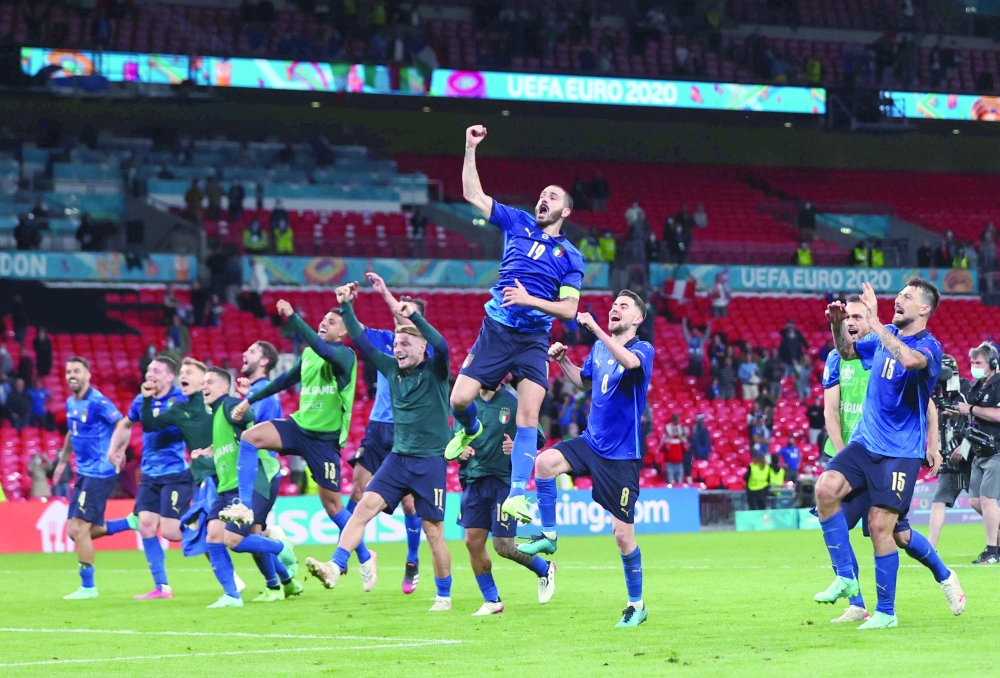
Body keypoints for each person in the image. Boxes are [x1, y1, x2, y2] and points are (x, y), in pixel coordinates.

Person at [447, 124, 586, 526]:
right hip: (498, 328)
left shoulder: (570, 256)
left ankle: (517, 497)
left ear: (565, 212)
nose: (544, 199)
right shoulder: (517, 223)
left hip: (533, 339)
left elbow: (568, 310)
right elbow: (473, 195)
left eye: (553, 196)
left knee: (529, 418)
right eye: (542, 194)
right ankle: (469, 428)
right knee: (459, 400)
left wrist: (530, 300)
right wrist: (470, 147)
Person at [815, 279, 964, 629]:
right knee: (824, 489)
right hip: (866, 443)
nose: (899, 299)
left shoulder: (929, 346)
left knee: (886, 527)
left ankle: (887, 611)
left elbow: (910, 361)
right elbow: (848, 353)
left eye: (907, 297)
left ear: (924, 309)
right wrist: (837, 326)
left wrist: (877, 321)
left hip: (900, 453)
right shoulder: (880, 340)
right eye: (898, 294)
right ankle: (849, 583)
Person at [314, 284, 455, 612]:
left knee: (434, 533)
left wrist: (415, 317)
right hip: (398, 459)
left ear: (422, 347)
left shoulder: (436, 369)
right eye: (396, 344)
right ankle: (336, 565)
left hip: (430, 463)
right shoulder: (391, 368)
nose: (398, 348)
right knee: (363, 507)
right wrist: (346, 307)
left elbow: (442, 345)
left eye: (406, 343)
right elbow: (362, 342)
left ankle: (443, 595)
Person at [518, 291, 654, 627]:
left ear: (637, 319)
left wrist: (596, 329)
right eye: (614, 305)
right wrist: (564, 360)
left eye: (624, 307)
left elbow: (629, 363)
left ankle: (636, 605)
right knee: (545, 462)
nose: (615, 309)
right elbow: (584, 382)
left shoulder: (642, 350)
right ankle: (549, 535)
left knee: (622, 536)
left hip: (622, 456)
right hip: (592, 442)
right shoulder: (599, 349)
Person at [223, 301, 375, 588]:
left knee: (333, 508)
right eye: (324, 319)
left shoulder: (345, 356)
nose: (324, 323)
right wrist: (248, 400)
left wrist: (293, 316)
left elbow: (323, 349)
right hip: (299, 427)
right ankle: (243, 506)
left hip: (324, 441)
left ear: (344, 330)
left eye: (332, 321)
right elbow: (282, 381)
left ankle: (366, 557)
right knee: (250, 437)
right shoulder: (308, 354)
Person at [347, 272, 427, 594]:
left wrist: (385, 294)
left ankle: (411, 558)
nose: (400, 315)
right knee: (356, 493)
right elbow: (357, 333)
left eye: (407, 312)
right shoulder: (386, 340)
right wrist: (350, 306)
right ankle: (365, 556)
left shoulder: (427, 349)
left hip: (406, 430)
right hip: (377, 427)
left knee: (409, 503)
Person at [200, 367, 297, 608]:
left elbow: (246, 415)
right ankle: (232, 595)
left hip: (251, 481)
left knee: (234, 540)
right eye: (203, 382)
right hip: (226, 487)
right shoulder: (216, 415)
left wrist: (243, 403)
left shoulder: (228, 404)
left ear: (224, 387)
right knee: (213, 535)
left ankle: (279, 548)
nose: (204, 386)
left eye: (209, 382)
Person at [456, 385, 550, 615]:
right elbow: (456, 442)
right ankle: (492, 600)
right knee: (472, 541)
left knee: (503, 546)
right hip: (474, 480)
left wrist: (516, 445)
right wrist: (462, 452)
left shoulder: (514, 401)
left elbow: (537, 439)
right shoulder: (465, 402)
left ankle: (545, 568)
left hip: (503, 482)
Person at [107, 355, 194, 599]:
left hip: (175, 474)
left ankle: (213, 535)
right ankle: (162, 587)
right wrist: (115, 450)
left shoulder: (181, 398)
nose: (149, 374)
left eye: (156, 370)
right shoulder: (141, 400)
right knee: (146, 527)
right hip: (150, 475)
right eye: (148, 370)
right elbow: (125, 425)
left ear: (168, 376)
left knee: (171, 532)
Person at [52, 358, 124, 599]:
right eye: (68, 371)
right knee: (75, 531)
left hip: (101, 470)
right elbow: (71, 435)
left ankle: (88, 587)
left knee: (79, 528)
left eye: (76, 371)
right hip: (84, 471)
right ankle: (127, 523)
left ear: (88, 375)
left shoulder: (98, 401)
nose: (71, 375)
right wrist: (62, 462)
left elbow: (123, 424)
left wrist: (118, 451)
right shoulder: (71, 402)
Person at [952, 342, 1000, 564]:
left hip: (996, 450)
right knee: (974, 501)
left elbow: (998, 415)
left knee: (989, 500)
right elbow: (970, 417)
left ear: (992, 362)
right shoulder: (976, 386)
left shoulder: (999, 384)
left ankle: (992, 551)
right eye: (972, 363)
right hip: (978, 450)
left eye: (978, 362)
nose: (974, 367)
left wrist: (970, 409)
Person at [661, 414, 687, 484]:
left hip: (679, 463)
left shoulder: (681, 440)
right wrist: (669, 437)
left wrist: (680, 436)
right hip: (669, 464)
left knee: (679, 482)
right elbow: (662, 449)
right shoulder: (666, 440)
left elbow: (686, 449)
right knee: (670, 483)